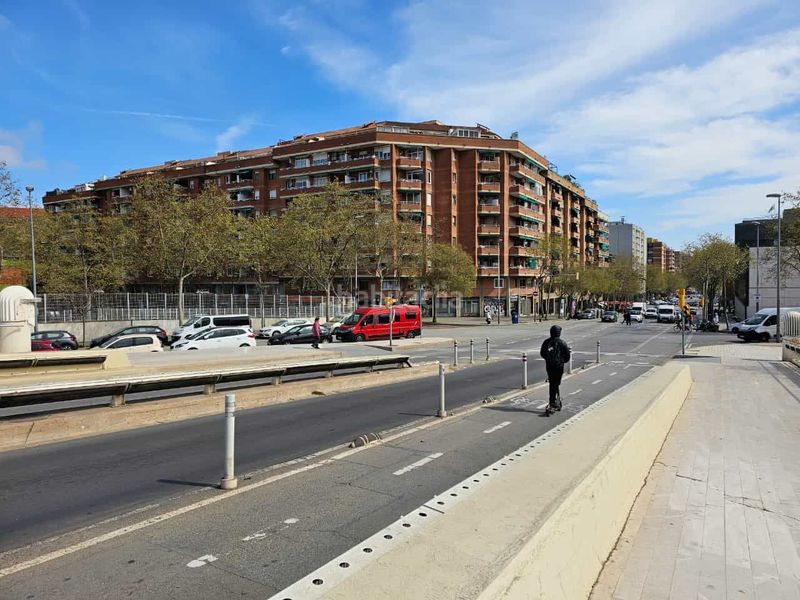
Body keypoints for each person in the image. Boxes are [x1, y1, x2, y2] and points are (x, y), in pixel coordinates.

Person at [540, 325, 571, 413]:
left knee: (552, 383)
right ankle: (554, 401)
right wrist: (561, 361)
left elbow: (542, 353)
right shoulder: (562, 343)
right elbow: (567, 356)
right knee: (556, 383)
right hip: (559, 366)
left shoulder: (546, 342)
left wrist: (548, 359)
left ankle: (553, 400)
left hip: (549, 366)